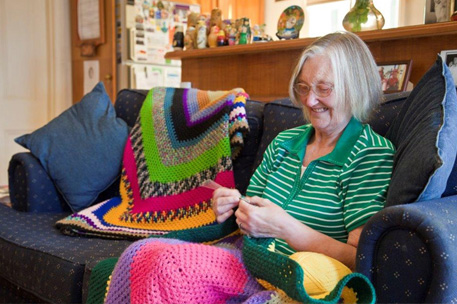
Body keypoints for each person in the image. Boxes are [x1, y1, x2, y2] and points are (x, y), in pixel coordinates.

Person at [212, 31, 395, 271]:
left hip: (298, 281)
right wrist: (233, 205)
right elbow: (252, 210)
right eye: (304, 87)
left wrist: (286, 228)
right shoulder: (283, 142)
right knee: (154, 254)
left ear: (355, 88)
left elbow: (360, 258)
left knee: (166, 266)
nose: (309, 101)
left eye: (324, 88)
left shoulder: (369, 154)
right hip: (248, 261)